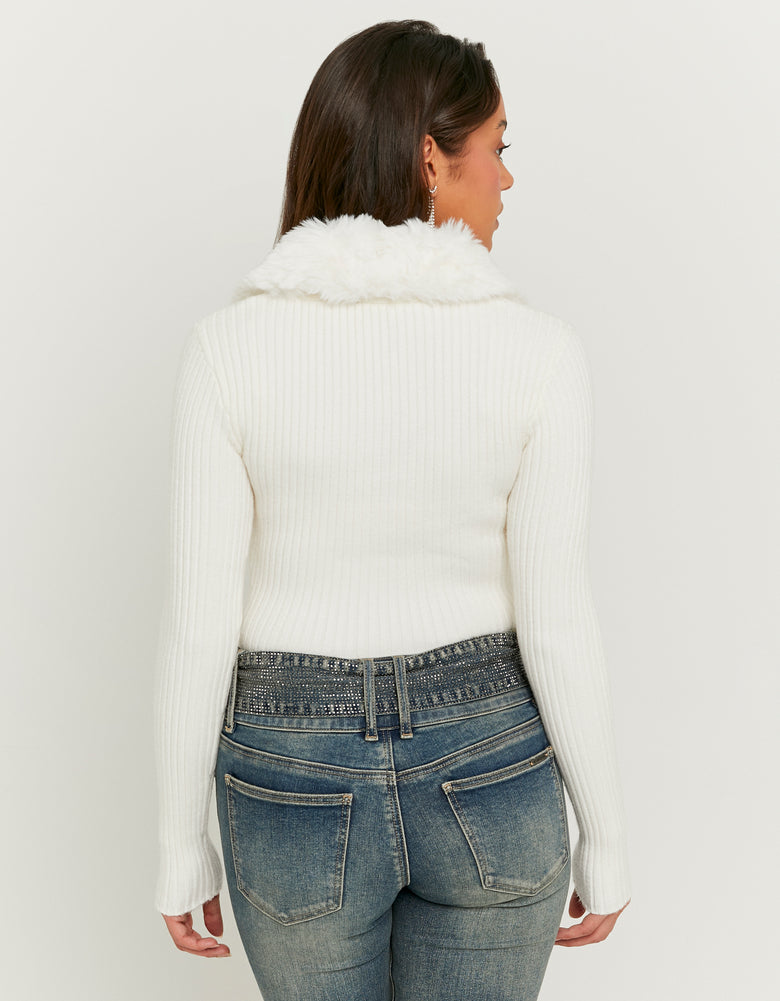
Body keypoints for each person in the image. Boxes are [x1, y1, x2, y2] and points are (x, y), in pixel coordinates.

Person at [153, 19, 631, 1000]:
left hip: (291, 775)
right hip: (490, 763)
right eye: (496, 147)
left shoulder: (227, 350)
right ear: (429, 159)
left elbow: (201, 625)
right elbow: (556, 620)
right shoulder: (540, 354)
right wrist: (608, 833)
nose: (507, 179)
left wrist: (176, 842)